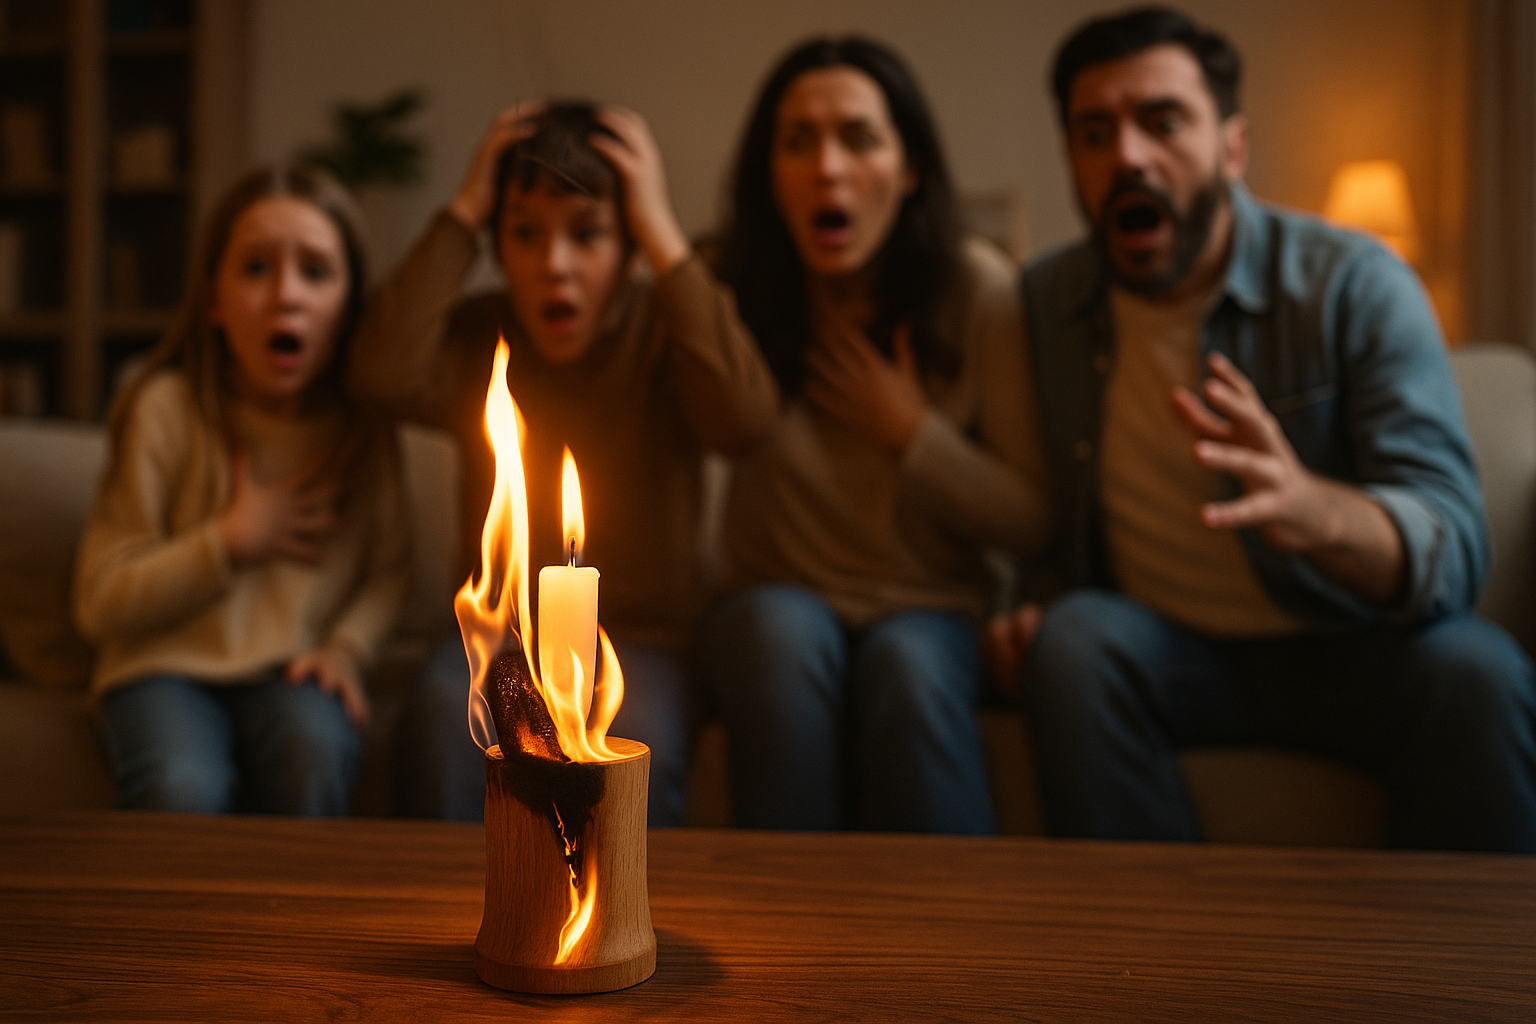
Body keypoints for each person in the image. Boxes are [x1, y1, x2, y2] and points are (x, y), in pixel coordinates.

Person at [992, 6, 1536, 851]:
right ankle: (1159, 965)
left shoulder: (1355, 285)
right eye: (1095, 132)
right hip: (1168, 650)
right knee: (1074, 640)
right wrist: (1021, 606)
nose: (1128, 154)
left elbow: (1453, 543)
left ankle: (1458, 978)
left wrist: (1314, 511)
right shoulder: (1043, 303)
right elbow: (1019, 501)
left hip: (1353, 647)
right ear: (1072, 157)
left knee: (1481, 672)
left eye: (1163, 122)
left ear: (1233, 146)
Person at [350, 102, 778, 826]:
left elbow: (746, 418)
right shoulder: (483, 338)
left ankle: (617, 925)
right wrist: (463, 212)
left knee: (632, 749)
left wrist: (664, 238)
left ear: (631, 247)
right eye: (525, 234)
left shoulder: (662, 332)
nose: (556, 265)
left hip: (643, 641)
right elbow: (379, 374)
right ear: (498, 246)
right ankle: (450, 915)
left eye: (588, 236)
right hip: (500, 639)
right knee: (436, 721)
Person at [702, 37, 1050, 833]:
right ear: (770, 175)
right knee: (781, 636)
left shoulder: (978, 288)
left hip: (929, 607)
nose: (829, 168)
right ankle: (785, 933)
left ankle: (945, 945)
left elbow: (1032, 516)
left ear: (910, 167)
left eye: (859, 138)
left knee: (910, 664)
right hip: (770, 599)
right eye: (799, 142)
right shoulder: (728, 286)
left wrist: (910, 434)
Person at [74, 164, 410, 815]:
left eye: (315, 272)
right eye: (256, 269)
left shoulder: (365, 429)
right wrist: (231, 540)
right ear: (213, 302)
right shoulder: (162, 407)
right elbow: (99, 602)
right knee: (181, 784)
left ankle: (297, 923)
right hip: (161, 669)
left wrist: (347, 648)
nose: (285, 295)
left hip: (291, 672)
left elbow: (389, 571)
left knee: (315, 748)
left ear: (348, 307)